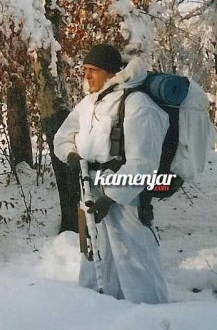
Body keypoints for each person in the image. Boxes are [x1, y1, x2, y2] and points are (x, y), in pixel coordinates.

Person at [53, 44, 169, 303]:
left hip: (126, 195)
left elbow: (143, 163)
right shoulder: (89, 103)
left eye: (93, 70)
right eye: (85, 70)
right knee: (95, 256)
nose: (86, 76)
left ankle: (151, 316)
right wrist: (72, 156)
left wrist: (112, 197)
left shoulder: (137, 104)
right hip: (91, 187)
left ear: (111, 72)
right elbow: (62, 137)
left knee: (133, 257)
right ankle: (99, 312)